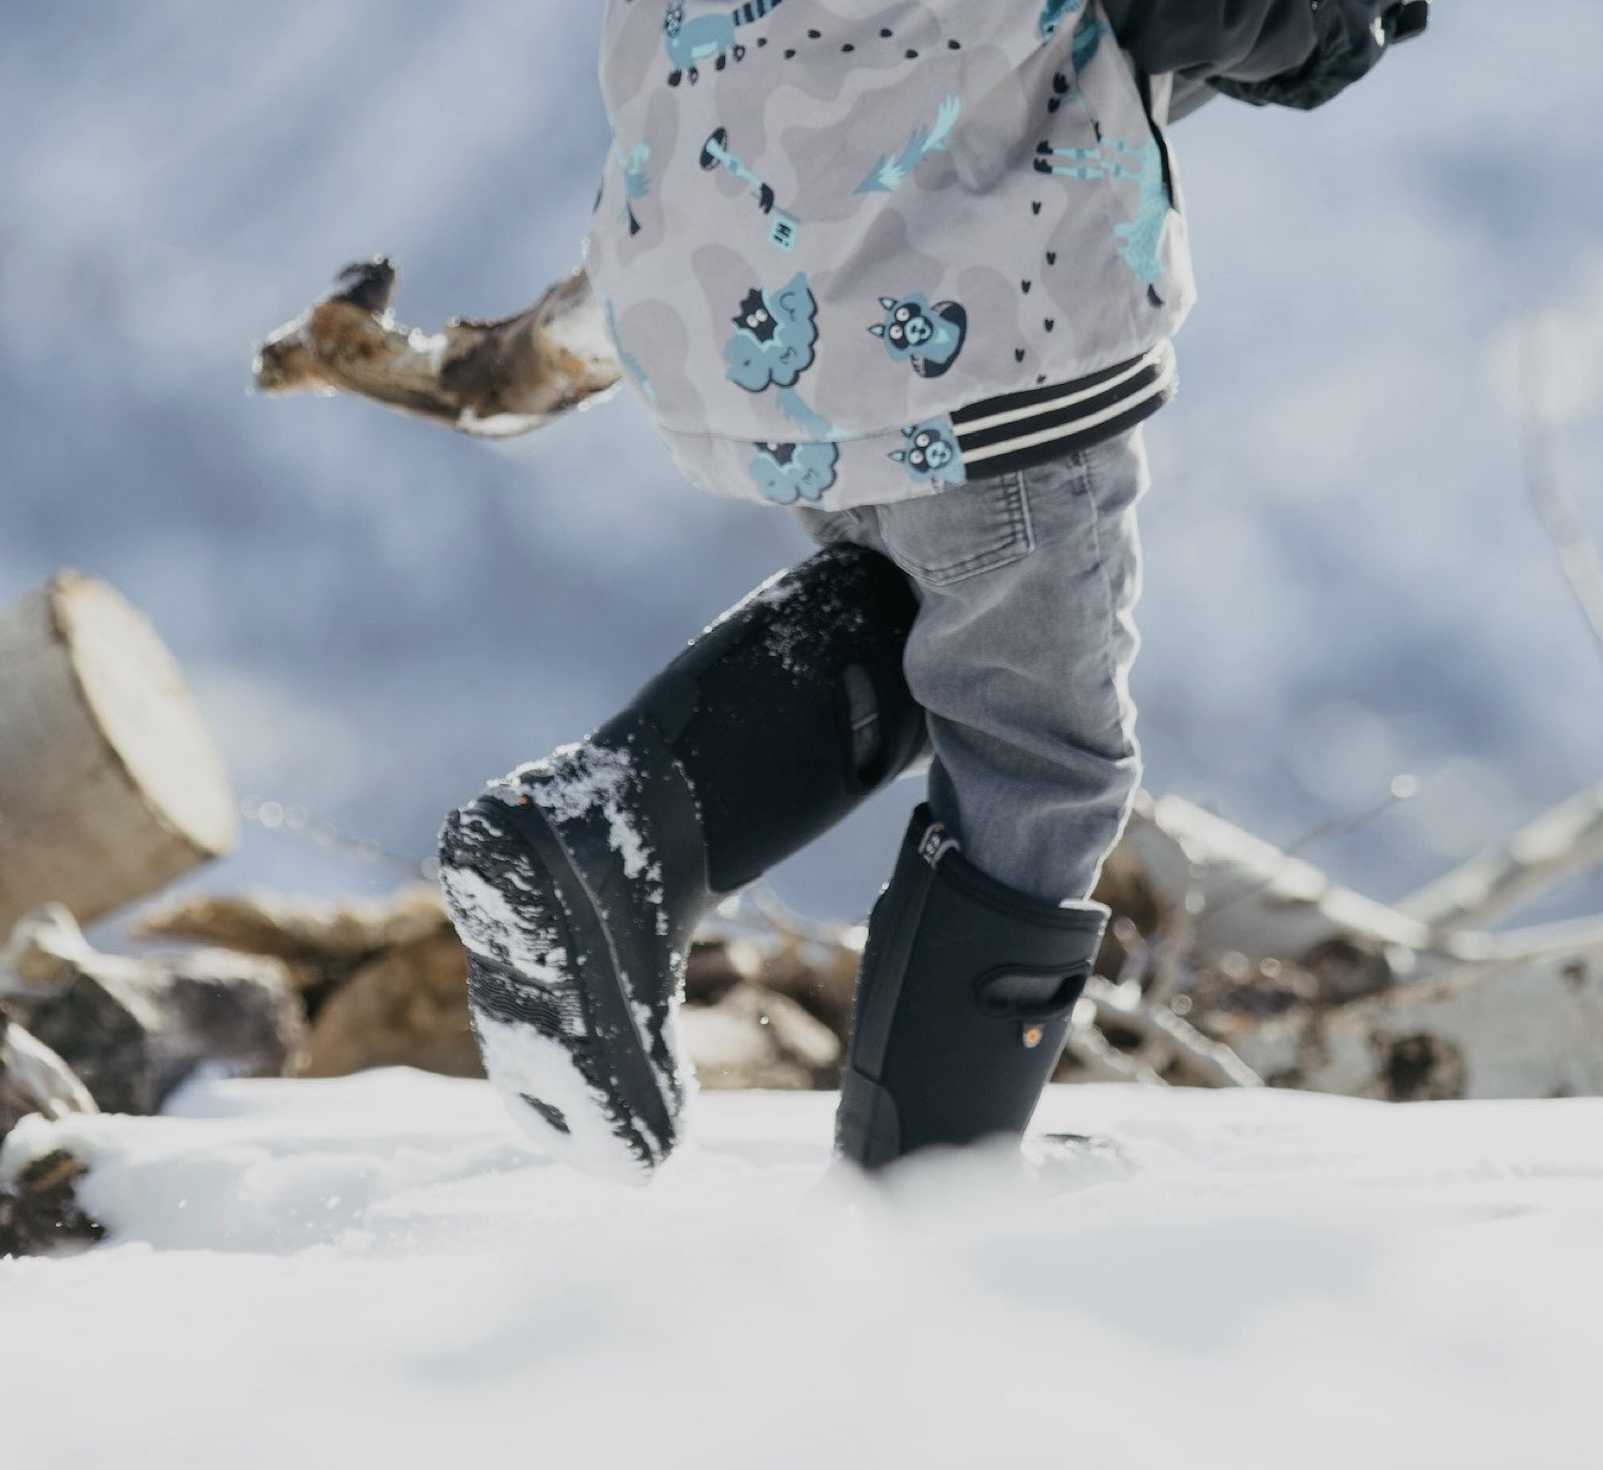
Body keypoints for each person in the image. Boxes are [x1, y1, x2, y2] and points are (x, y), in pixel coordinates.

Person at [437, 0, 1430, 1182]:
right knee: (1041, 752)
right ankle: (938, 1177)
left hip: (745, 279)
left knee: (923, 612)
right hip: (966, 309)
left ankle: (606, 841)